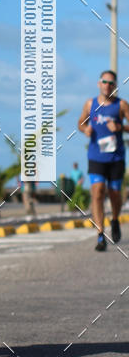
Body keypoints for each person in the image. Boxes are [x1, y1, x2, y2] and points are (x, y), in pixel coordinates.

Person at [78, 70, 127, 250]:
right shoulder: (90, 104)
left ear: (115, 86)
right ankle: (100, 234)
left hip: (116, 157)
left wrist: (120, 126)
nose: (107, 85)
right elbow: (81, 123)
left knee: (114, 193)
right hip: (96, 156)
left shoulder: (121, 105)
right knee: (97, 191)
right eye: (104, 82)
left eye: (111, 83)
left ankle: (114, 219)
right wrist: (85, 130)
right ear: (99, 84)